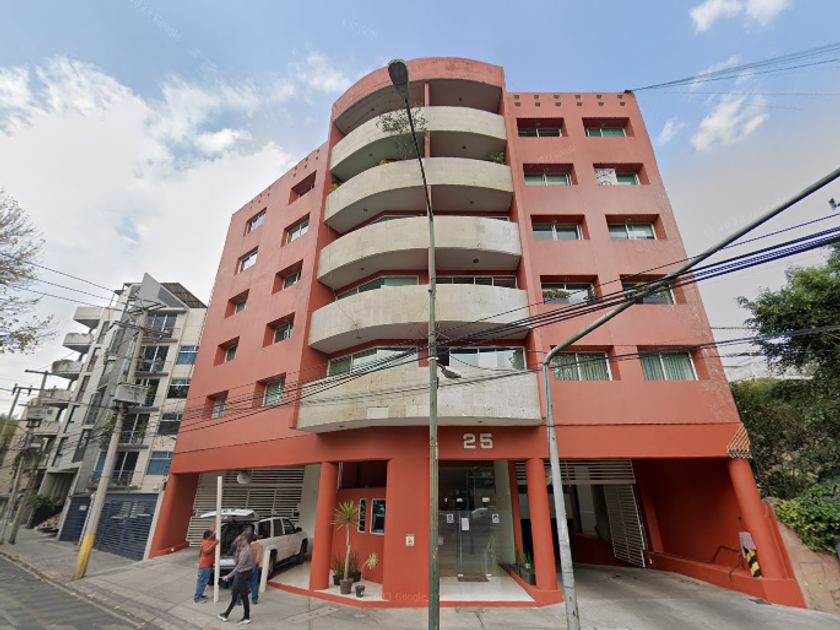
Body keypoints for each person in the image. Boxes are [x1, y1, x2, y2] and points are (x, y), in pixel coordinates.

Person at [218, 531, 255, 625]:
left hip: (242, 574)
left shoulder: (248, 551)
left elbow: (240, 566)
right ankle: (226, 614)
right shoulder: (250, 549)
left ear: (246, 540)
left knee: (243, 596)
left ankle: (246, 616)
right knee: (235, 593)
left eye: (242, 539)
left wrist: (228, 576)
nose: (241, 540)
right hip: (243, 573)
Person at [194, 529, 218, 604]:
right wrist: (214, 544)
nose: (213, 535)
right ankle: (197, 598)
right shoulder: (206, 542)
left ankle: (200, 595)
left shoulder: (210, 541)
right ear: (208, 536)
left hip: (208, 565)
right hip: (205, 566)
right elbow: (206, 551)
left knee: (204, 582)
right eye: (212, 534)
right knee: (202, 582)